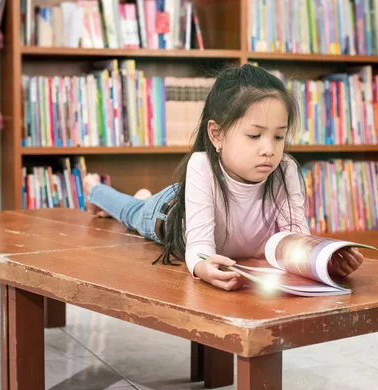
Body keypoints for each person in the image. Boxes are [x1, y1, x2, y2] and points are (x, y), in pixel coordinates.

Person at [84, 64, 363, 291]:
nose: (269, 149)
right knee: (131, 212)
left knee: (139, 203)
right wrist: (202, 266)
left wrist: (322, 258)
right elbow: (200, 246)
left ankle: (142, 195)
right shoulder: (201, 165)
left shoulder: (285, 169)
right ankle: (95, 189)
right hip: (166, 212)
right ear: (216, 134)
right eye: (254, 136)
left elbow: (293, 238)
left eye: (279, 136)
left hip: (190, 199)